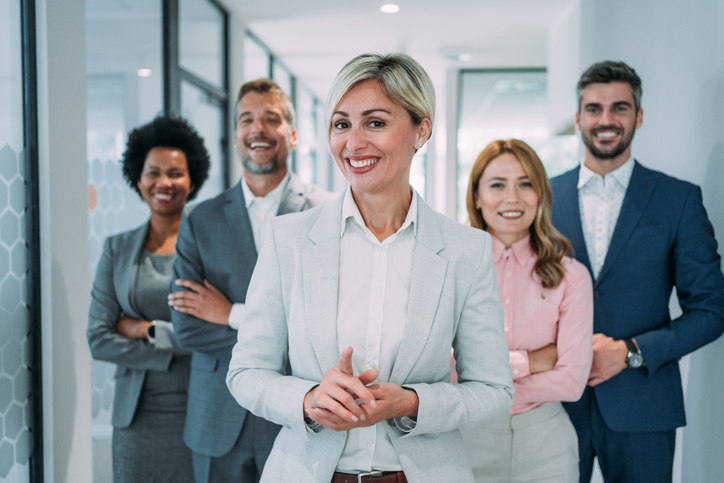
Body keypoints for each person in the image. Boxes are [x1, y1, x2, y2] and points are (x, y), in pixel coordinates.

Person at [225, 53, 514, 483]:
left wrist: (412, 403)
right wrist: (308, 397)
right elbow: (246, 373)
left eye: (375, 123)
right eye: (342, 125)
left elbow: (494, 391)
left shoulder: (465, 250)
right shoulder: (289, 239)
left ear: (422, 130)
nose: (354, 142)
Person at [550, 60, 724, 482]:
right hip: (551, 406)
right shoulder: (542, 198)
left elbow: (712, 310)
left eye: (620, 108)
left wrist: (630, 352)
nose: (606, 120)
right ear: (578, 118)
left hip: (644, 405)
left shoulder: (677, 200)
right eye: (594, 109)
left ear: (638, 116)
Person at [168, 78, 332, 483]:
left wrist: (229, 314)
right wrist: (282, 341)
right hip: (217, 416)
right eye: (247, 119)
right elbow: (187, 327)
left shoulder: (328, 212)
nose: (257, 129)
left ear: (293, 135)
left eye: (271, 119)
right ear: (235, 136)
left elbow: (331, 320)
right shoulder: (200, 219)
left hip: (300, 415)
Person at [460, 139, 593, 482]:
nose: (512, 198)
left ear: (541, 194)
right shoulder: (451, 270)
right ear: (476, 196)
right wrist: (532, 361)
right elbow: (439, 369)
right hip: (465, 440)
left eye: (525, 184)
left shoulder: (572, 276)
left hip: (546, 446)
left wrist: (484, 380)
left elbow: (572, 381)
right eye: (497, 185)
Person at [87, 115, 210, 482]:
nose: (164, 183)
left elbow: (218, 333)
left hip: (201, 409)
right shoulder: (119, 249)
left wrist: (143, 329)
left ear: (192, 180)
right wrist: (174, 344)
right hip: (135, 419)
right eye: (153, 172)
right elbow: (98, 339)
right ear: (137, 178)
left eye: (175, 173)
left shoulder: (211, 245)